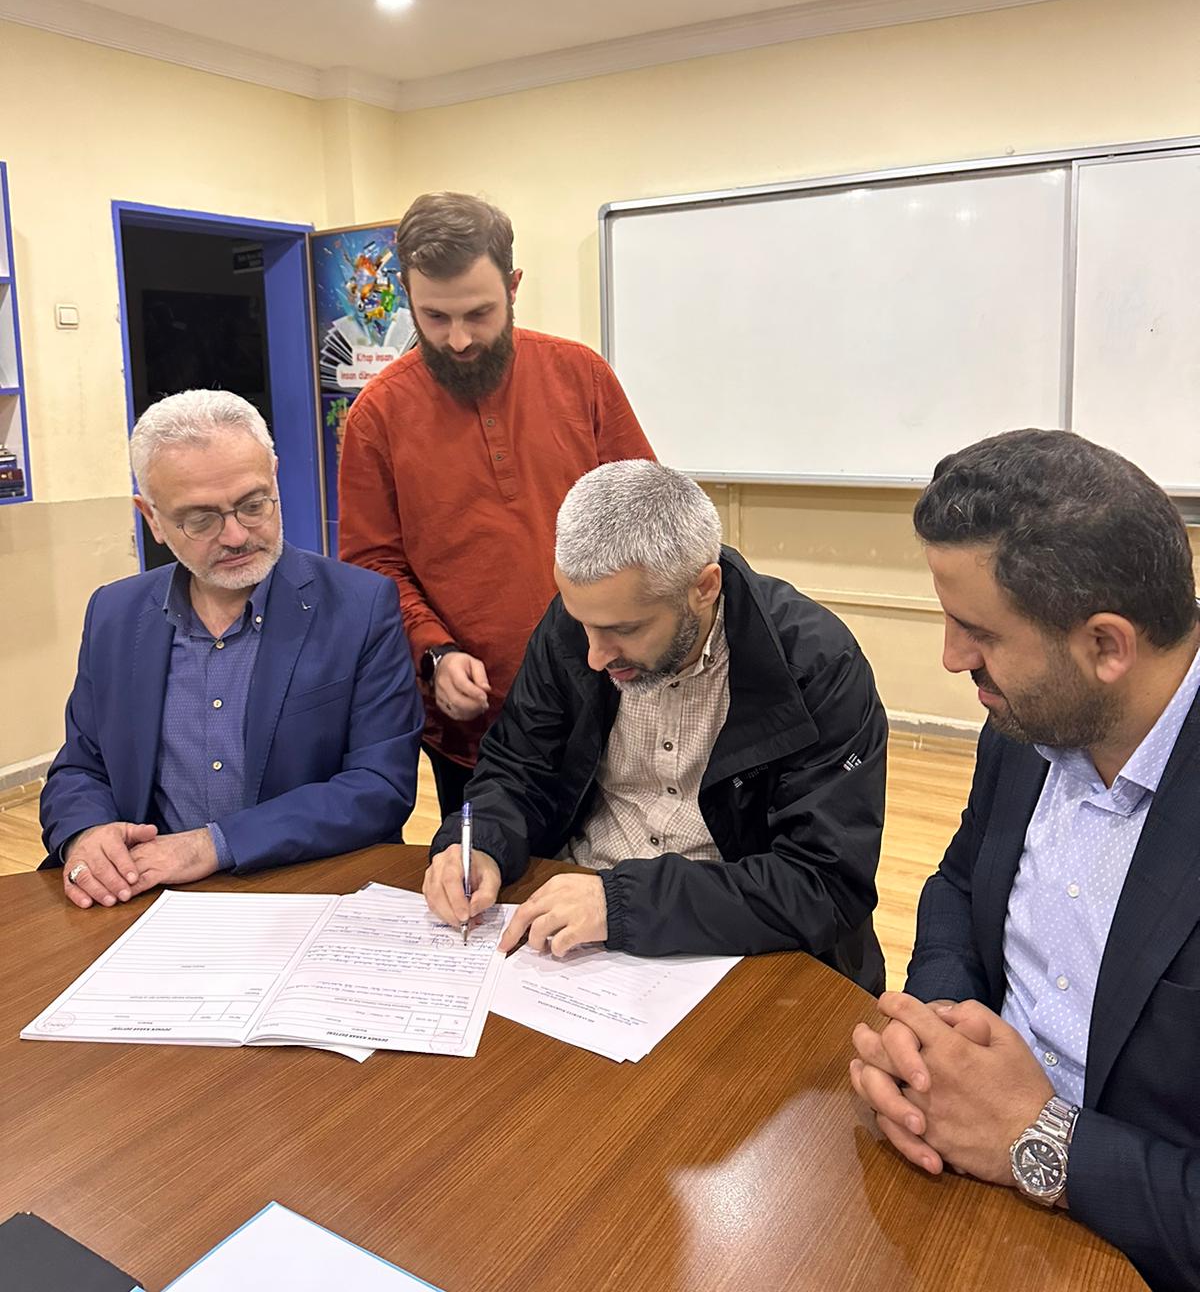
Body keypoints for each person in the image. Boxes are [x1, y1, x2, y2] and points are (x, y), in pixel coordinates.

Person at [848, 429, 1200, 1292]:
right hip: (966, 1192)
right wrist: (937, 1036)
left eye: (978, 632)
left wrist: (1037, 1140)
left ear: (1106, 646)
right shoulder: (1032, 719)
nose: (951, 658)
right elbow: (960, 882)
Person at [422, 460, 888, 982]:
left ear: (704, 587)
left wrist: (622, 902)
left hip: (733, 940)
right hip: (573, 918)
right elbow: (517, 768)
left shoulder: (815, 665)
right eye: (582, 623)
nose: (595, 656)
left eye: (625, 630)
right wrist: (481, 842)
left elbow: (822, 884)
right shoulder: (579, 625)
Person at [41, 390, 422, 908]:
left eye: (253, 504)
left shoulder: (360, 606)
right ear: (152, 519)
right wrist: (86, 832)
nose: (237, 535)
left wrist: (214, 845)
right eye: (201, 520)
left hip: (306, 892)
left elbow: (379, 787)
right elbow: (80, 767)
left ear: (275, 477)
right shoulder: (114, 613)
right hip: (148, 899)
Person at [338, 191, 653, 817]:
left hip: (613, 694)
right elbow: (373, 565)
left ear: (513, 287)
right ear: (407, 294)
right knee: (484, 866)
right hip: (472, 721)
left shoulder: (581, 375)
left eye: (479, 313)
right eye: (434, 317)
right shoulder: (378, 414)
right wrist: (435, 652)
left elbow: (646, 515)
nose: (458, 340)